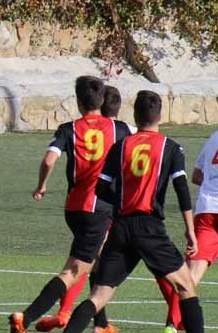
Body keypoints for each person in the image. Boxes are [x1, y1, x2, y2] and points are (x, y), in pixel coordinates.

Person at [61, 90, 204, 333]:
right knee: (186, 286)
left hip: (121, 228)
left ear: (135, 116)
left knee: (98, 296)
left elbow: (101, 188)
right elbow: (181, 189)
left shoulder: (120, 146)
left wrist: (119, 205)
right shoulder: (170, 148)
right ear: (160, 116)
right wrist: (190, 230)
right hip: (150, 228)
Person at [9, 76, 130, 333]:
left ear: (78, 102)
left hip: (74, 207)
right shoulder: (119, 129)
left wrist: (42, 185)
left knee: (98, 259)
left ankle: (101, 324)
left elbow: (48, 160)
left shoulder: (68, 129)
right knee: (73, 271)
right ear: (102, 100)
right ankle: (25, 317)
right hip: (98, 208)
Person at [157, 124, 218, 333]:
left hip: (207, 210)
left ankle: (172, 325)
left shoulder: (217, 135)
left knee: (189, 278)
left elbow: (196, 176)